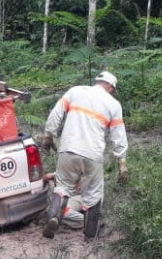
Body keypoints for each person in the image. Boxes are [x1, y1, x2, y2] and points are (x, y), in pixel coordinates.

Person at [40, 70, 128, 240]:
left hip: (68, 149)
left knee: (63, 187)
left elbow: (55, 114)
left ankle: (54, 217)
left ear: (97, 82)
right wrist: (122, 162)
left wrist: (48, 136)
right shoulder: (114, 104)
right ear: (110, 87)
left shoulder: (75, 91)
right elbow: (118, 135)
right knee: (94, 194)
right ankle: (90, 234)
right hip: (92, 154)